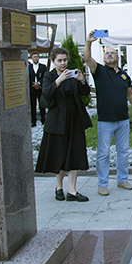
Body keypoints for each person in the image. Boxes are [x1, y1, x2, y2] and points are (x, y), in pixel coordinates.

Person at [84, 31, 132, 196]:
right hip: (105, 121)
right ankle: (102, 183)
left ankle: (122, 180)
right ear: (104, 57)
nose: (109, 55)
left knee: (123, 151)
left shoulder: (124, 75)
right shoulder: (100, 71)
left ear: (118, 57)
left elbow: (130, 93)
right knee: (103, 153)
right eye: (107, 53)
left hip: (123, 120)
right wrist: (89, 42)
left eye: (112, 53)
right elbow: (88, 58)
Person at [34, 47, 92, 202]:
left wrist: (82, 80)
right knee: (59, 154)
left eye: (65, 60)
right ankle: (59, 187)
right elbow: (46, 94)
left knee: (75, 154)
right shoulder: (49, 76)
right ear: (53, 61)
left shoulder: (73, 74)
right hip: (57, 122)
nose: (62, 63)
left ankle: (72, 191)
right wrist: (58, 81)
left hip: (74, 120)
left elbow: (85, 93)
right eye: (59, 60)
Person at [29, 51, 47, 127]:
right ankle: (33, 121)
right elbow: (27, 77)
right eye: (34, 57)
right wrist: (33, 84)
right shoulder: (28, 67)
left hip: (40, 88)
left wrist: (39, 83)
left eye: (37, 57)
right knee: (33, 105)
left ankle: (43, 120)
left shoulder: (43, 67)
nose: (36, 58)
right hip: (32, 89)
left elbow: (45, 76)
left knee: (42, 104)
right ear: (31, 58)